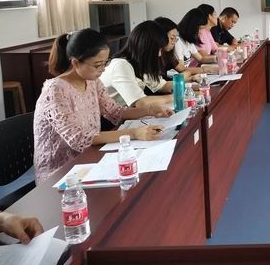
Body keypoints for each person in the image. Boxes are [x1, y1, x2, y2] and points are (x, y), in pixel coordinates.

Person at [34, 29, 170, 184]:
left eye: (105, 63)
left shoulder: (92, 81)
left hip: (90, 158)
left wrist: (149, 110)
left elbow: (115, 112)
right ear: (75, 63)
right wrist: (134, 133)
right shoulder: (55, 90)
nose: (103, 69)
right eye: (97, 65)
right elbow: (79, 139)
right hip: (60, 173)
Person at [100, 21, 175, 108]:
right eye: (158, 49)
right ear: (146, 48)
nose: (159, 54)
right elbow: (140, 103)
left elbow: (162, 86)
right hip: (112, 115)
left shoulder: (139, 63)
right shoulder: (121, 65)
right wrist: (174, 97)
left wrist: (186, 87)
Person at [153, 17, 216, 81]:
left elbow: (177, 75)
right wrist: (205, 70)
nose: (174, 42)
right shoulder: (177, 44)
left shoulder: (168, 54)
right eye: (172, 38)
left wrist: (191, 77)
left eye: (176, 39)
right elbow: (181, 71)